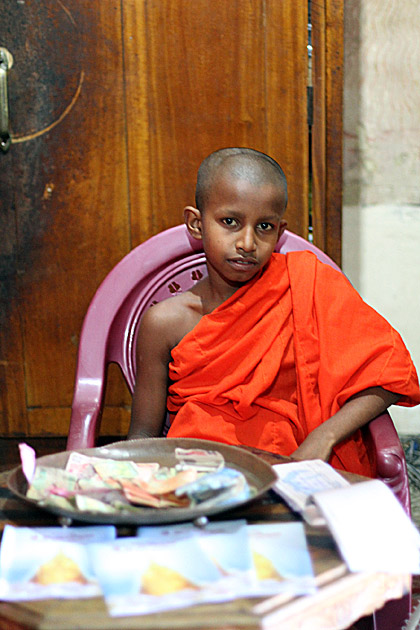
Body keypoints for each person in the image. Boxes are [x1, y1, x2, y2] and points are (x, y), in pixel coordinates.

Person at [128, 147, 420, 477]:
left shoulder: (307, 284)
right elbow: (142, 435)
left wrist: (325, 437)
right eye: (230, 222)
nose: (247, 242)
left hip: (297, 469)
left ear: (280, 234)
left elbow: (391, 374)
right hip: (200, 479)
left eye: (264, 226)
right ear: (196, 224)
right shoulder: (165, 322)